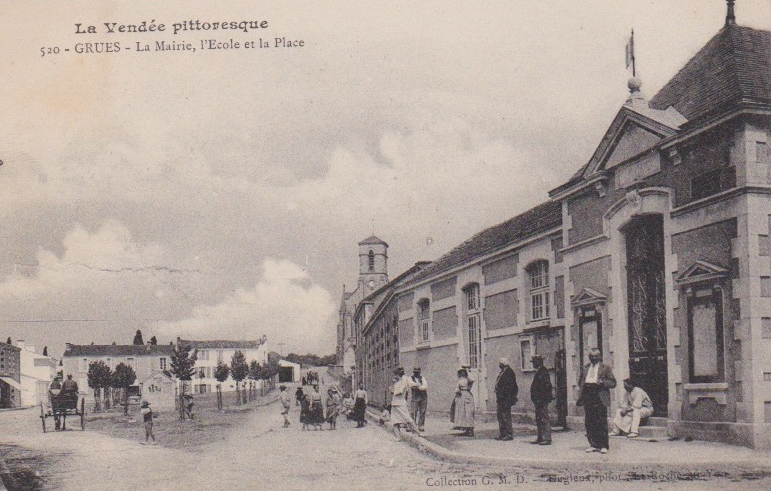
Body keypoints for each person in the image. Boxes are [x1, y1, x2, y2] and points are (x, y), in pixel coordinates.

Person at [577, 348, 616, 454]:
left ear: (600, 356)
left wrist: (602, 382)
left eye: (596, 356)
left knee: (601, 421)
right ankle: (593, 444)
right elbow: (580, 381)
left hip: (600, 395)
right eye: (591, 356)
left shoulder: (605, 367)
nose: (594, 358)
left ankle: (604, 445)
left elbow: (613, 382)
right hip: (588, 395)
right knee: (589, 421)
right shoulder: (585, 368)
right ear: (589, 357)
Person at [389, 367, 422, 439]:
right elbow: (391, 390)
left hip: (401, 403)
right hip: (394, 403)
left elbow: (400, 391)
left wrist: (393, 391)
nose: (394, 376)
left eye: (395, 375)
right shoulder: (396, 382)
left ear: (398, 374)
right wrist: (392, 386)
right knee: (395, 421)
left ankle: (416, 432)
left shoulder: (404, 381)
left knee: (407, 418)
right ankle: (398, 436)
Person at [530, 355, 553, 445]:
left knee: (544, 418)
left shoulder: (543, 372)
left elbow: (546, 386)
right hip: (538, 400)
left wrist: (542, 398)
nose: (533, 364)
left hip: (542, 400)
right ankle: (540, 437)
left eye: (533, 362)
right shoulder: (540, 371)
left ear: (537, 362)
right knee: (539, 419)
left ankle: (547, 438)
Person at [494, 358, 518, 441]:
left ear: (502, 364)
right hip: (501, 398)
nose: (499, 365)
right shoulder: (503, 372)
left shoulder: (509, 372)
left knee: (506, 416)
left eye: (500, 364)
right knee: (500, 416)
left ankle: (508, 434)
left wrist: (509, 397)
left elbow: (511, 387)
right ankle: (502, 433)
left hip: (505, 398)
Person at [452, 368, 475, 436]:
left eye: (463, 372)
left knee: (468, 412)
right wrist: (457, 391)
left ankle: (470, 429)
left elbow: (472, 379)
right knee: (462, 413)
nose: (461, 374)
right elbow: (457, 387)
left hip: (467, 395)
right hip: (460, 396)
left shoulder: (468, 379)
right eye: (460, 373)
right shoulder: (460, 380)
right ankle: (465, 429)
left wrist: (468, 371)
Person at [410, 367, 428, 432]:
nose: (416, 372)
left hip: (423, 397)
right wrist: (419, 385)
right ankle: (413, 426)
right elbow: (411, 384)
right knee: (413, 411)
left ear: (420, 372)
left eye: (417, 371)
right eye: (415, 371)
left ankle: (421, 425)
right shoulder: (410, 378)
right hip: (415, 397)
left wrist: (417, 386)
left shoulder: (422, 378)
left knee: (422, 411)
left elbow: (425, 386)